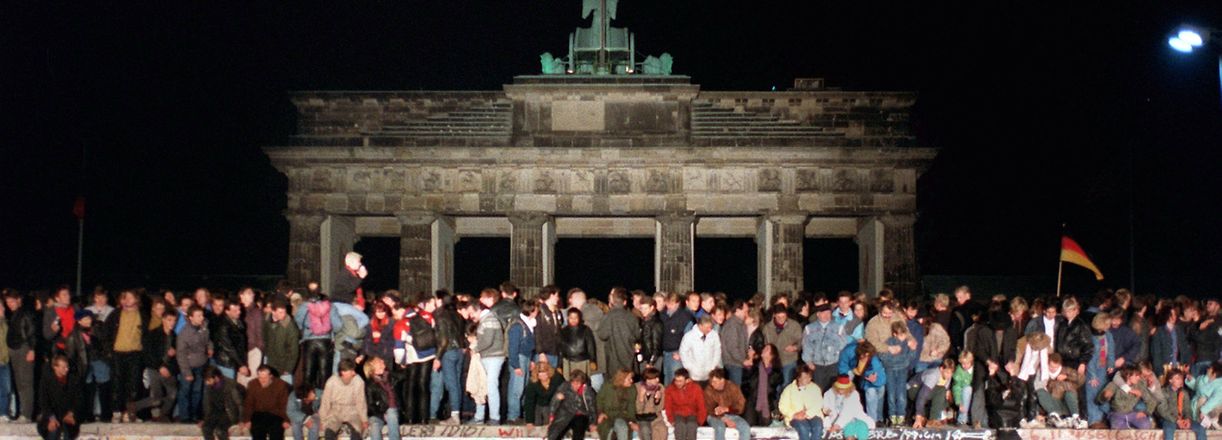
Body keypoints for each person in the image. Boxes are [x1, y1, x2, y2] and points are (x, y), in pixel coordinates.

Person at [130, 309, 179, 421]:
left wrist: (171, 363)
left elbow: (177, 357)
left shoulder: (175, 336)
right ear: (163, 320)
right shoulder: (153, 334)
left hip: (169, 369)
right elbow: (148, 354)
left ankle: (163, 415)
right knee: (156, 398)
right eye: (169, 320)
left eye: (174, 320)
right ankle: (134, 407)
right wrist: (160, 366)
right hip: (155, 369)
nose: (172, 323)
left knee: (173, 394)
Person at [105, 289, 145, 422]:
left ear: (136, 299)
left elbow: (147, 335)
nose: (127, 300)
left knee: (133, 384)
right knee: (117, 383)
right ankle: (116, 412)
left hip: (135, 353)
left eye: (130, 297)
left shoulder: (142, 314)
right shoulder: (116, 314)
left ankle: (130, 412)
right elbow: (105, 332)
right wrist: (108, 351)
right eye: (125, 297)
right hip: (118, 353)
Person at [429, 289, 465, 424]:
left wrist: (438, 357)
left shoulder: (440, 316)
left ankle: (454, 415)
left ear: (440, 300)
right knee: (456, 383)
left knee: (451, 384)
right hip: (459, 351)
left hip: (448, 352)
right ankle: (456, 412)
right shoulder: (457, 315)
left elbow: (443, 339)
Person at [472, 290, 507, 425]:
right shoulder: (489, 319)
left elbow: (488, 341)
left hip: (493, 357)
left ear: (477, 310)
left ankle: (494, 417)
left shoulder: (489, 319)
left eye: (471, 312)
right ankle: (480, 416)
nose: (470, 316)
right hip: (490, 356)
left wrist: (475, 348)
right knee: (483, 385)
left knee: (491, 386)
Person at [4, 289, 37, 423]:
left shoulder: (25, 313)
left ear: (19, 300)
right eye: (8, 302)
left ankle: (27, 414)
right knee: (19, 382)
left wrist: (31, 349)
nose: (10, 304)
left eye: (12, 301)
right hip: (15, 349)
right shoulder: (14, 314)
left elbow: (32, 332)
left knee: (25, 382)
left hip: (24, 348)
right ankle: (22, 412)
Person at [177, 305, 213, 422]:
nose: (201, 318)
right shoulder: (184, 334)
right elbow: (181, 354)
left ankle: (193, 415)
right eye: (198, 316)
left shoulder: (204, 328)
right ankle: (185, 416)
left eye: (202, 315)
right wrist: (186, 372)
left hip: (201, 364)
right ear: (190, 318)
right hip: (189, 365)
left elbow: (208, 340)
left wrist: (210, 347)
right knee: (185, 392)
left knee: (197, 391)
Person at [596, 289, 640, 382]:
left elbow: (602, 335)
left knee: (615, 386)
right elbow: (637, 336)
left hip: (613, 359)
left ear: (612, 301)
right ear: (624, 302)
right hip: (629, 357)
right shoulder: (632, 317)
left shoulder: (608, 316)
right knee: (628, 384)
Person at [507, 299, 539, 424]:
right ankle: (513, 416)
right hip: (519, 358)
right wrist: (516, 365)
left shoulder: (528, 325)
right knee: (517, 389)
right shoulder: (518, 326)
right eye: (536, 310)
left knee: (522, 387)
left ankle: (517, 414)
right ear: (531, 310)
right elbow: (513, 347)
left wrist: (531, 359)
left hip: (525, 357)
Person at [320, 359, 368, 440]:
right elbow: (325, 402)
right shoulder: (331, 382)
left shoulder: (358, 381)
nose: (354, 373)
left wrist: (364, 419)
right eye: (351, 371)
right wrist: (323, 420)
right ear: (343, 372)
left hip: (353, 411)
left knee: (357, 433)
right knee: (329, 432)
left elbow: (361, 402)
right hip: (335, 411)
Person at [242, 365, 291, 440]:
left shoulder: (280, 385)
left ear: (271, 376)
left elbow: (284, 404)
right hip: (258, 414)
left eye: (265, 378)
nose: (262, 380)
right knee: (257, 432)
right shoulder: (252, 384)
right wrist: (247, 419)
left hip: (276, 414)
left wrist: (286, 420)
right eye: (260, 378)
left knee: (276, 433)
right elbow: (248, 403)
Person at [802, 304, 844, 391]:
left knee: (832, 389)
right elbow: (806, 346)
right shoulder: (809, 328)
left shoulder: (839, 328)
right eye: (823, 313)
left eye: (828, 313)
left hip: (833, 364)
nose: (826, 316)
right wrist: (809, 362)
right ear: (818, 314)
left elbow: (842, 344)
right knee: (818, 389)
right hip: (817, 365)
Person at [547, 369, 598, 440]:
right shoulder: (564, 386)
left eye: (577, 383)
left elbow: (592, 407)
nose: (575, 385)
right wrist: (552, 415)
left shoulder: (587, 391)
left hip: (581, 415)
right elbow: (553, 403)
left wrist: (593, 422)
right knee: (555, 433)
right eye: (573, 383)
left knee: (579, 430)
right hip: (565, 414)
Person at [37, 355, 79, 440]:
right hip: (51, 415)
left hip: (68, 415)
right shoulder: (46, 381)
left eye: (67, 367)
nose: (66, 369)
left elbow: (78, 399)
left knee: (69, 427)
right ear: (55, 367)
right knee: (53, 428)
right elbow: (43, 402)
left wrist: (71, 413)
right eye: (63, 367)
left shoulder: (72, 380)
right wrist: (51, 418)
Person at [1159, 368, 1207, 440]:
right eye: (1177, 378)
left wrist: (1187, 419)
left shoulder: (1184, 392)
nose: (1180, 381)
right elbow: (1162, 411)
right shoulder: (1163, 392)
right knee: (1169, 430)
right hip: (1169, 420)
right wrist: (1177, 420)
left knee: (1201, 428)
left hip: (1182, 420)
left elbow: (1187, 409)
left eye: (1181, 378)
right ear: (1170, 380)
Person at [762, 305, 803, 388]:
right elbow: (764, 344)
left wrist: (795, 347)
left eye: (783, 316)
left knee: (787, 385)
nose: (781, 319)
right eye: (778, 317)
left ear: (786, 315)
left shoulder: (794, 326)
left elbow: (802, 341)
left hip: (789, 360)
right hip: (773, 362)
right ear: (774, 315)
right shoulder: (767, 328)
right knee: (773, 385)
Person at [822, 375, 874, 440]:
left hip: (856, 418)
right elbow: (825, 406)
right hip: (841, 421)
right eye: (840, 388)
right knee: (849, 433)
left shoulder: (854, 394)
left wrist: (837, 425)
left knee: (862, 429)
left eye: (843, 389)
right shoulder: (829, 393)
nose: (841, 390)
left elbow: (847, 412)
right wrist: (827, 410)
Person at [779, 365, 823, 440]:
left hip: (813, 415)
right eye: (805, 377)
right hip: (795, 417)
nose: (808, 379)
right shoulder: (789, 389)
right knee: (804, 428)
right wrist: (794, 414)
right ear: (799, 378)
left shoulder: (815, 388)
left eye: (809, 377)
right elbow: (782, 406)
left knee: (818, 426)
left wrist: (807, 413)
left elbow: (819, 403)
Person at [704, 368, 750, 440]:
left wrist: (728, 409)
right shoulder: (708, 390)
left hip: (732, 415)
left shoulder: (733, 387)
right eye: (711, 382)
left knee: (745, 428)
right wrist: (725, 419)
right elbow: (709, 409)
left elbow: (741, 404)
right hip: (714, 416)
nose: (712, 384)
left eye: (715, 382)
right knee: (720, 428)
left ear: (722, 380)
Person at [743, 343, 782, 426]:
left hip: (768, 403)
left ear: (772, 355)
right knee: (749, 426)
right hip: (752, 401)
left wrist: (767, 368)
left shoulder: (776, 371)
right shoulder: (755, 366)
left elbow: (773, 383)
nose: (764, 349)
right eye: (764, 347)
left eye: (767, 349)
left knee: (766, 430)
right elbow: (746, 382)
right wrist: (750, 360)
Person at [364, 356, 402, 440]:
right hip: (378, 413)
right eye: (378, 361)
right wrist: (382, 413)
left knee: (391, 413)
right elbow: (370, 405)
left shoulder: (391, 376)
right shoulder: (370, 384)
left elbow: (404, 376)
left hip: (393, 410)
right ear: (372, 365)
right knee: (374, 426)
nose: (382, 361)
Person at [200, 366, 243, 440]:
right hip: (215, 413)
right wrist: (205, 419)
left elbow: (239, 404)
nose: (206, 383)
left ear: (216, 378)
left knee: (220, 430)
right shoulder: (209, 387)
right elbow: (207, 405)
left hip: (229, 413)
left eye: (208, 380)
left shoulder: (231, 385)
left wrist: (241, 419)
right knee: (206, 428)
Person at [264, 298, 300, 383]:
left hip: (284, 365)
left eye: (285, 312)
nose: (283, 315)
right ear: (273, 312)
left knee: (286, 391)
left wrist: (288, 368)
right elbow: (265, 339)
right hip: (270, 363)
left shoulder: (290, 326)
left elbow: (294, 349)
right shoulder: (266, 321)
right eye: (280, 312)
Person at [661, 293, 694, 384]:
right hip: (665, 353)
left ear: (678, 303)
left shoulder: (685, 317)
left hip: (676, 354)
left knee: (676, 380)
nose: (669, 306)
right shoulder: (662, 315)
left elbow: (689, 339)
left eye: (671, 304)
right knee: (667, 380)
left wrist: (681, 353)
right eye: (667, 304)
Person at [912, 359, 955, 427]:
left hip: (929, 391)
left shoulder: (948, 376)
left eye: (951, 373)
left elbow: (944, 395)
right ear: (941, 369)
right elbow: (921, 397)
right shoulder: (933, 376)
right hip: (914, 389)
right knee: (940, 391)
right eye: (947, 372)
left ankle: (932, 420)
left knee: (945, 398)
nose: (949, 376)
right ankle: (922, 417)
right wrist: (918, 417)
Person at [664, 368, 705, 440]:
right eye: (676, 380)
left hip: (692, 413)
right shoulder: (670, 389)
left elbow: (701, 406)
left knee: (692, 425)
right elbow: (668, 407)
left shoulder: (696, 388)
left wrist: (700, 421)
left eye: (680, 381)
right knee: (680, 425)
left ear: (687, 380)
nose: (677, 383)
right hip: (677, 414)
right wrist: (671, 420)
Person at [596, 369, 637, 440]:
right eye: (629, 379)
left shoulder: (632, 389)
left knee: (622, 427)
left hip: (622, 416)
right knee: (607, 432)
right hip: (607, 415)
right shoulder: (607, 386)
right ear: (622, 379)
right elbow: (599, 400)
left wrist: (631, 422)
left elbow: (631, 407)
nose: (631, 381)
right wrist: (600, 413)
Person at [678, 316, 722, 383]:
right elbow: (683, 353)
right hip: (694, 375)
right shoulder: (689, 336)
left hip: (709, 373)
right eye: (707, 328)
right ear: (700, 326)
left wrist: (713, 366)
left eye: (711, 327)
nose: (709, 329)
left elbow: (717, 351)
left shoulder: (714, 335)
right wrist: (689, 367)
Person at [213, 300, 249, 380]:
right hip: (227, 361)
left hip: (235, 360)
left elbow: (241, 344)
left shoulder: (239, 322)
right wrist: (241, 364)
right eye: (235, 311)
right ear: (227, 311)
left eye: (239, 309)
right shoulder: (223, 326)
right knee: (228, 387)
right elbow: (228, 347)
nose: (239, 312)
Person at [560, 308, 598, 381]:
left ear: (579, 318)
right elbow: (560, 349)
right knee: (569, 383)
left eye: (575, 317)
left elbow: (591, 346)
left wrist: (593, 360)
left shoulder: (585, 329)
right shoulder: (563, 331)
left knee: (583, 381)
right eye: (571, 317)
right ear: (568, 318)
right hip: (568, 362)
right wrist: (560, 365)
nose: (573, 320)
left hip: (583, 360)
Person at [524, 362, 565, 427]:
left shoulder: (557, 378)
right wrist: (529, 421)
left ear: (548, 372)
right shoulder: (533, 383)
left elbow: (565, 389)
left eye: (544, 372)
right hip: (538, 405)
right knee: (536, 425)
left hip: (553, 404)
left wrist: (562, 394)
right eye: (540, 372)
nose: (543, 375)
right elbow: (529, 401)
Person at [720, 301, 750, 385]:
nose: (746, 314)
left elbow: (745, 343)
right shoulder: (732, 325)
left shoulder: (740, 324)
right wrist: (743, 360)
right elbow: (732, 347)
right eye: (745, 311)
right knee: (736, 390)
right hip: (733, 363)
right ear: (737, 310)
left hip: (738, 362)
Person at [634, 367, 667, 440]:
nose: (657, 380)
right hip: (641, 417)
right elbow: (638, 410)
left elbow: (660, 409)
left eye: (658, 378)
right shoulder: (637, 387)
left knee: (662, 430)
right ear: (647, 379)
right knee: (645, 430)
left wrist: (657, 400)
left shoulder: (660, 387)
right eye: (655, 378)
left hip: (654, 416)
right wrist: (641, 397)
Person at [638, 297, 663, 375]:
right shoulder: (644, 322)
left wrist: (651, 362)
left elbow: (657, 345)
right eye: (641, 308)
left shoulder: (656, 323)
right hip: (644, 358)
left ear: (652, 308)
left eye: (645, 308)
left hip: (652, 360)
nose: (643, 311)